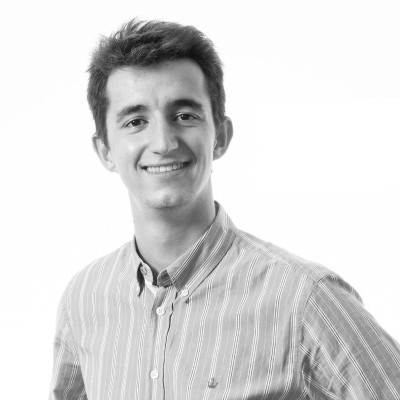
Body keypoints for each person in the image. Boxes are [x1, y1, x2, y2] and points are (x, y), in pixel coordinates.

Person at [49, 19, 400, 400]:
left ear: (220, 136)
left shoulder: (304, 298)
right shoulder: (84, 300)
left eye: (185, 115)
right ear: (105, 151)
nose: (163, 142)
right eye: (136, 121)